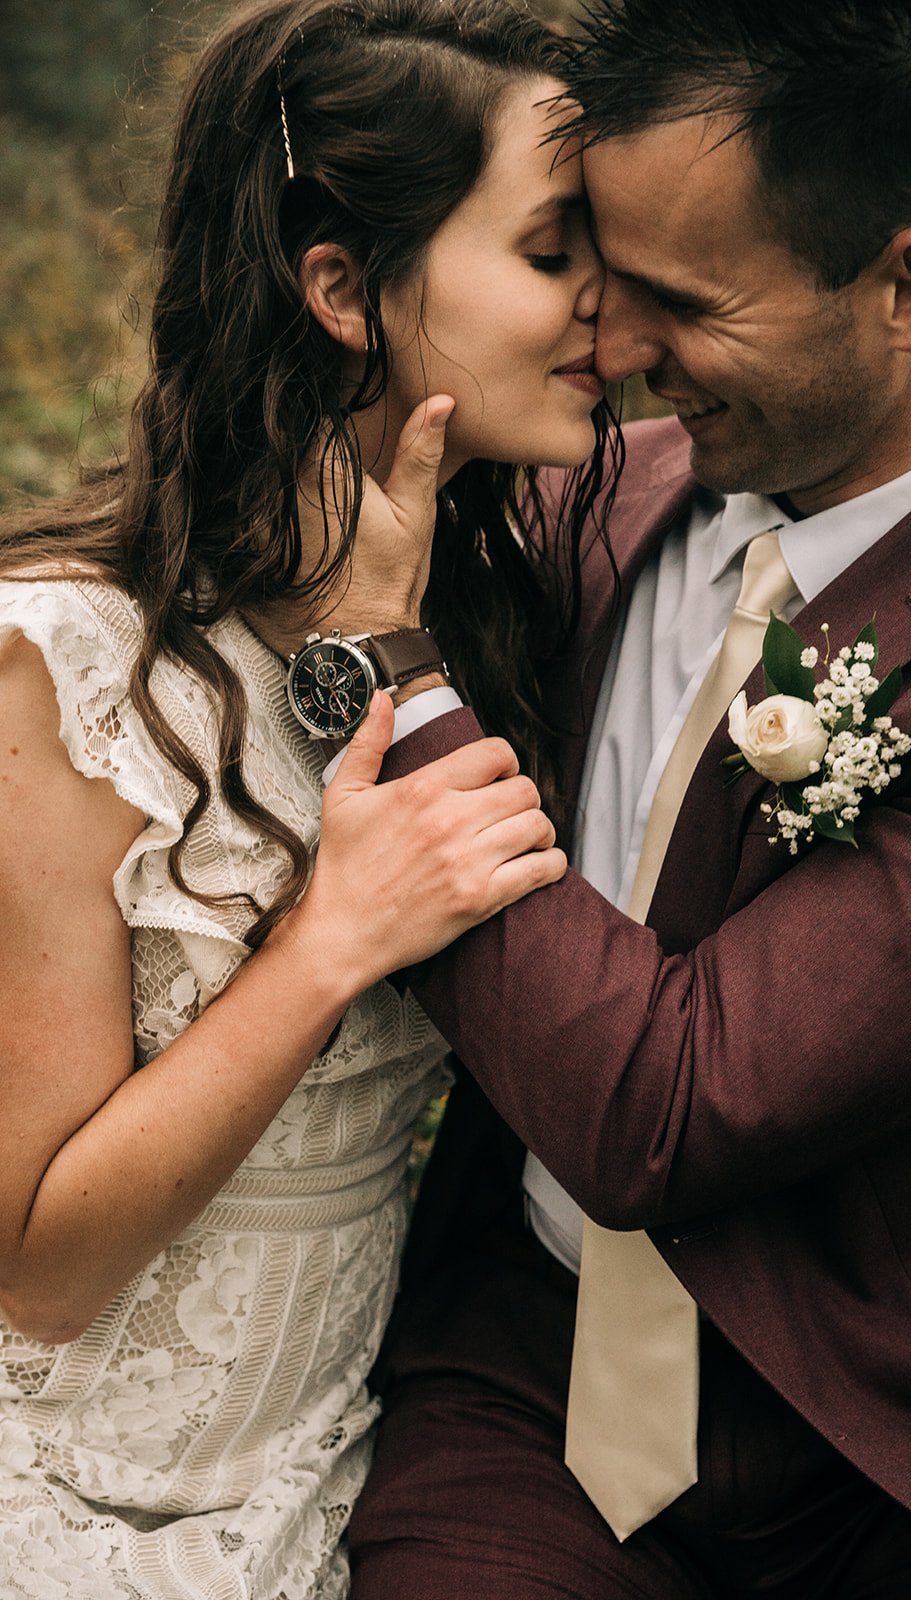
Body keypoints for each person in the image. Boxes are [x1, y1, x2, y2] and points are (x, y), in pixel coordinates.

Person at [339, 1, 911, 1596]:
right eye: (598, 272)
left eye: (678, 300)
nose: (610, 346)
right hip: (523, 1369)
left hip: (900, 1443)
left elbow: (663, 1109)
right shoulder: (584, 498)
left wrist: (387, 666)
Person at [0, 0, 619, 1593]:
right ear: (340, 286)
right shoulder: (67, 671)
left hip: (339, 1478)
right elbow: (37, 1270)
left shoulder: (500, 612)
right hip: (76, 1497)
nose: (610, 304)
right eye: (555, 251)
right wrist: (333, 939)